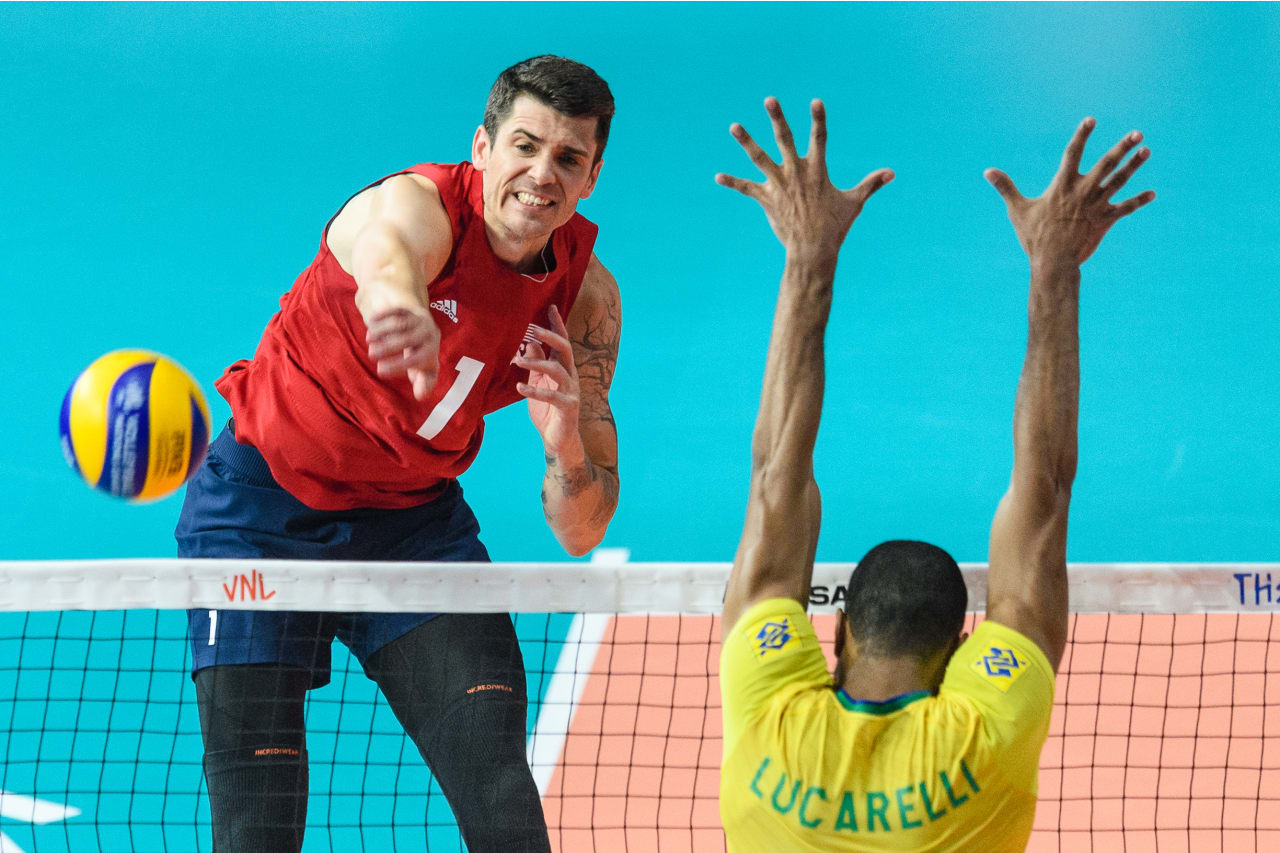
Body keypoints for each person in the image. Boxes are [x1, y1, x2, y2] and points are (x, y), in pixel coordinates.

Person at [175, 55, 621, 853]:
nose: (541, 174)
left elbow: (581, 531)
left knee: (499, 788)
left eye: (568, 158)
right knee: (256, 824)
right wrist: (399, 307)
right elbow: (384, 250)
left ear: (591, 176)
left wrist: (565, 450)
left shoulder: (582, 300)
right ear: (481, 146)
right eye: (523, 145)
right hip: (258, 512)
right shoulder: (415, 207)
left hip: (414, 528)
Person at [715, 98, 1154, 851]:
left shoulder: (768, 711)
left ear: (840, 629)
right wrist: (1056, 269)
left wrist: (808, 260)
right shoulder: (987, 732)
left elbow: (771, 477)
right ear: (958, 652)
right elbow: (1043, 491)